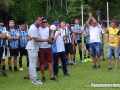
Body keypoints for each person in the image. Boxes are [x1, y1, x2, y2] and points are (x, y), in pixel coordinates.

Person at [26, 16, 51, 85]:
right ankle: (34, 79)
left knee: (32, 63)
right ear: (36, 20)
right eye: (40, 20)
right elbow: (36, 39)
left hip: (32, 47)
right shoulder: (33, 28)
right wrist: (46, 40)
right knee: (33, 64)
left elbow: (30, 36)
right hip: (32, 48)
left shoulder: (34, 27)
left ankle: (32, 78)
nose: (41, 22)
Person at [39, 17, 58, 82]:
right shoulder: (38, 29)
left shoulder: (49, 29)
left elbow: (52, 38)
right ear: (41, 22)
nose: (45, 23)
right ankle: (43, 76)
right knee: (42, 63)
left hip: (48, 48)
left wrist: (51, 40)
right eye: (43, 22)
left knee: (50, 62)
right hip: (41, 48)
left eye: (46, 22)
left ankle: (51, 77)